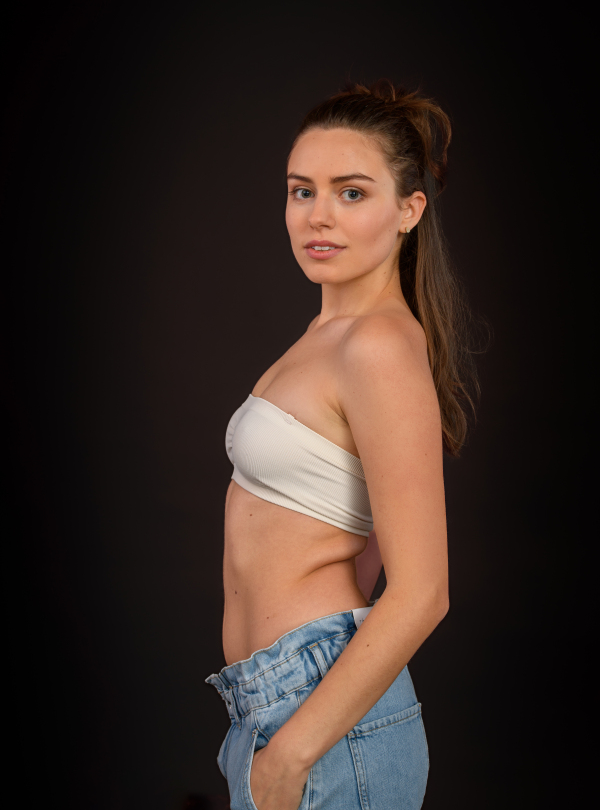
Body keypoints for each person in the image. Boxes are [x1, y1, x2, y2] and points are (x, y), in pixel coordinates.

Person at [206, 79, 478, 810]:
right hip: (278, 708)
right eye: (302, 191)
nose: (317, 215)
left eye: (351, 193)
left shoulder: (380, 343)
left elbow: (423, 591)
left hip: (318, 722)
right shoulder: (327, 340)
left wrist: (293, 753)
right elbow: (361, 542)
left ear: (408, 210)